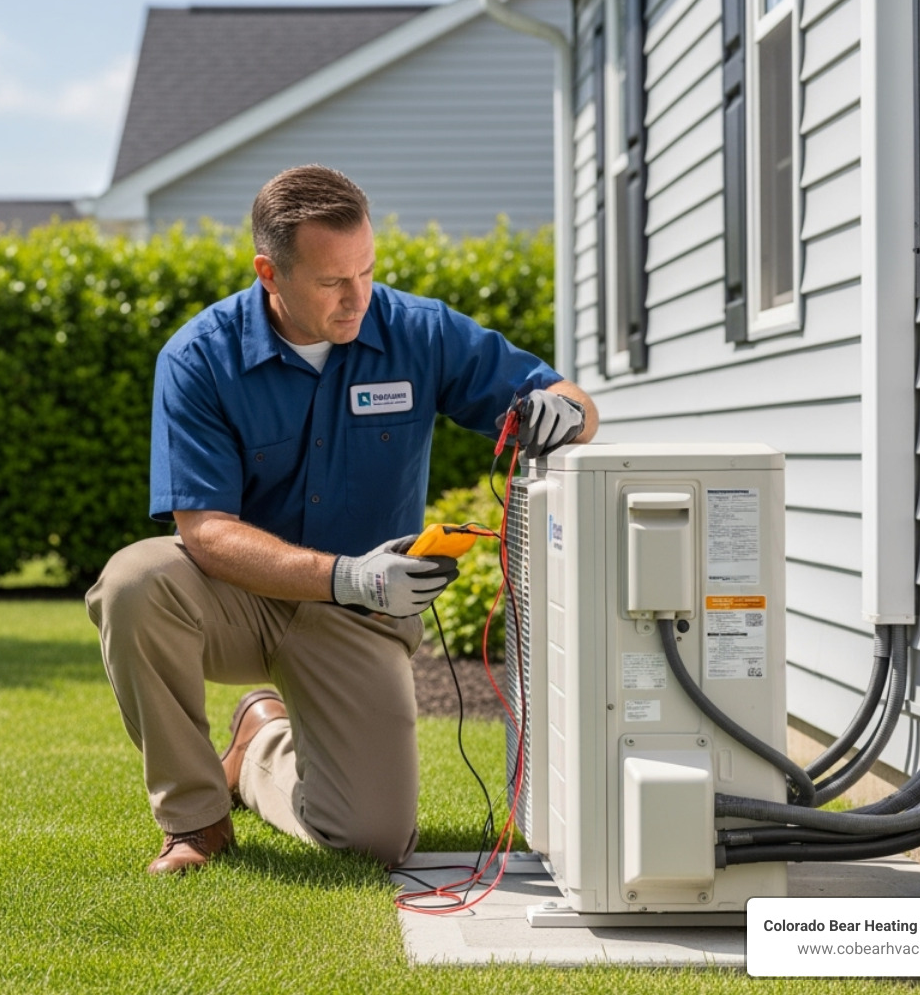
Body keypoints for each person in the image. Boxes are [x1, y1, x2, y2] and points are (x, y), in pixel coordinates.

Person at [86, 165, 597, 876]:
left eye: (366, 270)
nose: (358, 296)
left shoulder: (419, 332)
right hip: (237, 601)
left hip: (362, 616)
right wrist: (346, 575)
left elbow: (566, 393)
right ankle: (196, 821)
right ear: (270, 271)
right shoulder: (200, 358)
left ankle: (259, 743)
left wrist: (567, 411)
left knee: (372, 842)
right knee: (134, 581)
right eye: (332, 282)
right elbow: (205, 532)